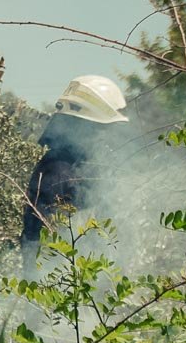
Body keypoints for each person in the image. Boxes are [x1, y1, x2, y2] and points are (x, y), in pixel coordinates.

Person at [21, 75, 128, 252]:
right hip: (60, 266)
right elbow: (40, 239)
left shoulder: (77, 166)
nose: (102, 136)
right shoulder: (58, 172)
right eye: (99, 129)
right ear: (83, 126)